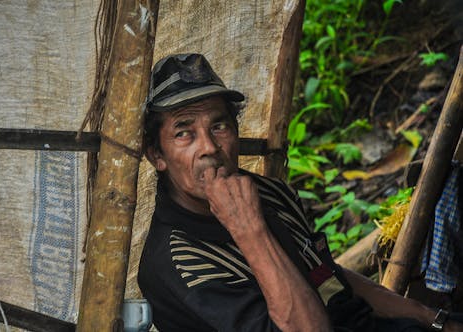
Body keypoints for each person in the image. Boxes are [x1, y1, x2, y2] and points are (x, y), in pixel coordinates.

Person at [137, 53, 463, 332]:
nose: (209, 147)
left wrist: (433, 319)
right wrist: (249, 230)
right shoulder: (179, 261)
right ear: (157, 155)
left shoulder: (267, 192)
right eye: (184, 133)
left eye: (219, 126)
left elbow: (327, 275)